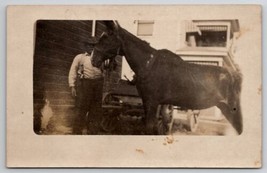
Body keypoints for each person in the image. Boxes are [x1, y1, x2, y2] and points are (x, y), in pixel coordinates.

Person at [68, 43, 104, 135]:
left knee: (95, 110)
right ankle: (77, 133)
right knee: (80, 109)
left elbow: (109, 68)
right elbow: (73, 71)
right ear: (85, 47)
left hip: (97, 86)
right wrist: (72, 85)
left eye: (93, 46)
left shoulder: (101, 58)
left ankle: (92, 133)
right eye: (89, 45)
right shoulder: (80, 57)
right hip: (84, 85)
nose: (91, 48)